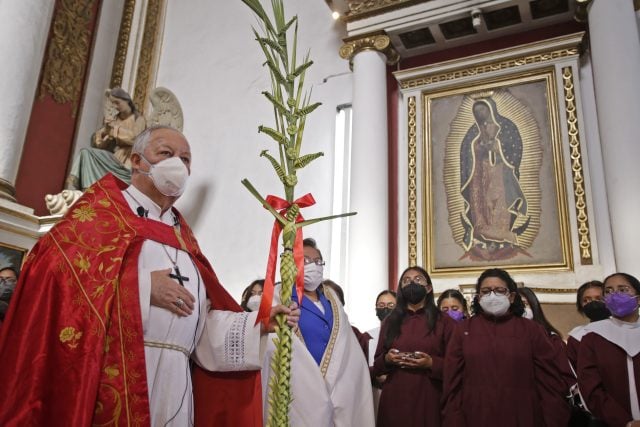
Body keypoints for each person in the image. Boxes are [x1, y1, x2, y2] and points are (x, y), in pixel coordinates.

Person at [0, 126, 299, 426]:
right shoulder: (101, 214)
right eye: (166, 154)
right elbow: (54, 275)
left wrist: (256, 325)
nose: (178, 165)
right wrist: (141, 287)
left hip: (177, 380)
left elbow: (201, 322)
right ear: (136, 160)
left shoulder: (183, 236)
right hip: (115, 374)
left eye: (186, 159)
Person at [261, 237, 375, 426]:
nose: (313, 266)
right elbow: (267, 343)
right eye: (305, 260)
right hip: (297, 390)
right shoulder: (277, 296)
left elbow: (348, 350)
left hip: (338, 391)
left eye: (317, 261)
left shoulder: (332, 299)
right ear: (292, 263)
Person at [442, 268, 571, 426]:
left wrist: (553, 419)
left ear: (511, 297)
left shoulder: (532, 330)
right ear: (478, 297)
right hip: (476, 416)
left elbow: (549, 382)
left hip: (524, 416)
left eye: (500, 290)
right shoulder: (463, 331)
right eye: (486, 291)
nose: (493, 295)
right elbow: (453, 383)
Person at [373, 266, 454, 427]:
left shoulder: (445, 322)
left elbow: (456, 366)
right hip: (395, 399)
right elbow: (377, 365)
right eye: (406, 281)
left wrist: (431, 363)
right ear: (401, 289)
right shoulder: (390, 321)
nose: (411, 283)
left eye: (418, 279)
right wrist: (388, 359)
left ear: (429, 288)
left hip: (430, 398)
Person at [459, 97, 530, 261]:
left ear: (491, 109)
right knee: (481, 215)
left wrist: (496, 150)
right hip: (478, 179)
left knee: (498, 208)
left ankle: (503, 237)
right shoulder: (473, 137)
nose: (480, 114)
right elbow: (466, 159)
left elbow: (513, 153)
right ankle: (497, 238)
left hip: (499, 176)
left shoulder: (505, 130)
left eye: (482, 110)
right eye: (477, 112)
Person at [577, 272, 640, 427]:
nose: (614, 295)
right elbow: (591, 387)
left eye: (623, 289)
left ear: (638, 298)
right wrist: (626, 423)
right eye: (608, 291)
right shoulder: (592, 337)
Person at [67, 87, 147, 190]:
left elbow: (135, 139)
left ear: (127, 100)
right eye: (113, 103)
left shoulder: (139, 119)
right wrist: (104, 135)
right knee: (85, 152)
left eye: (117, 102)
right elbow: (99, 145)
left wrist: (114, 129)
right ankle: (88, 189)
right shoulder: (114, 119)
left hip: (128, 158)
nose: (115, 106)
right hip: (114, 157)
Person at [517, 286, 574, 390]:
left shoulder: (551, 339)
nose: (521, 309)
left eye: (524, 304)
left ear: (533, 306)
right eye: (516, 305)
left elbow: (564, 372)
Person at [366, 290, 397, 416]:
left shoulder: (407, 334)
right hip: (373, 394)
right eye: (381, 305)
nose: (385, 309)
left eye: (391, 305)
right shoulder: (367, 337)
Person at [567, 280, 609, 369]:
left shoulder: (624, 329)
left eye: (599, 298)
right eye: (586, 300)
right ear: (581, 305)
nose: (593, 303)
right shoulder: (576, 336)